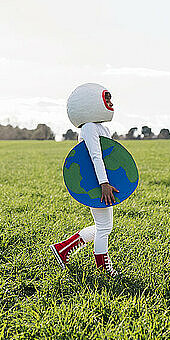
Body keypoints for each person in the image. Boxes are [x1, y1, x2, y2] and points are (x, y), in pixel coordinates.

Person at [49, 83, 120, 277]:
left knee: (103, 226)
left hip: (104, 183)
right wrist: (103, 184)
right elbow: (95, 157)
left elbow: (109, 157)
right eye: (107, 98)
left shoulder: (100, 128)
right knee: (104, 227)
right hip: (97, 184)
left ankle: (63, 249)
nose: (111, 103)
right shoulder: (89, 128)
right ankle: (104, 269)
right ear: (92, 102)